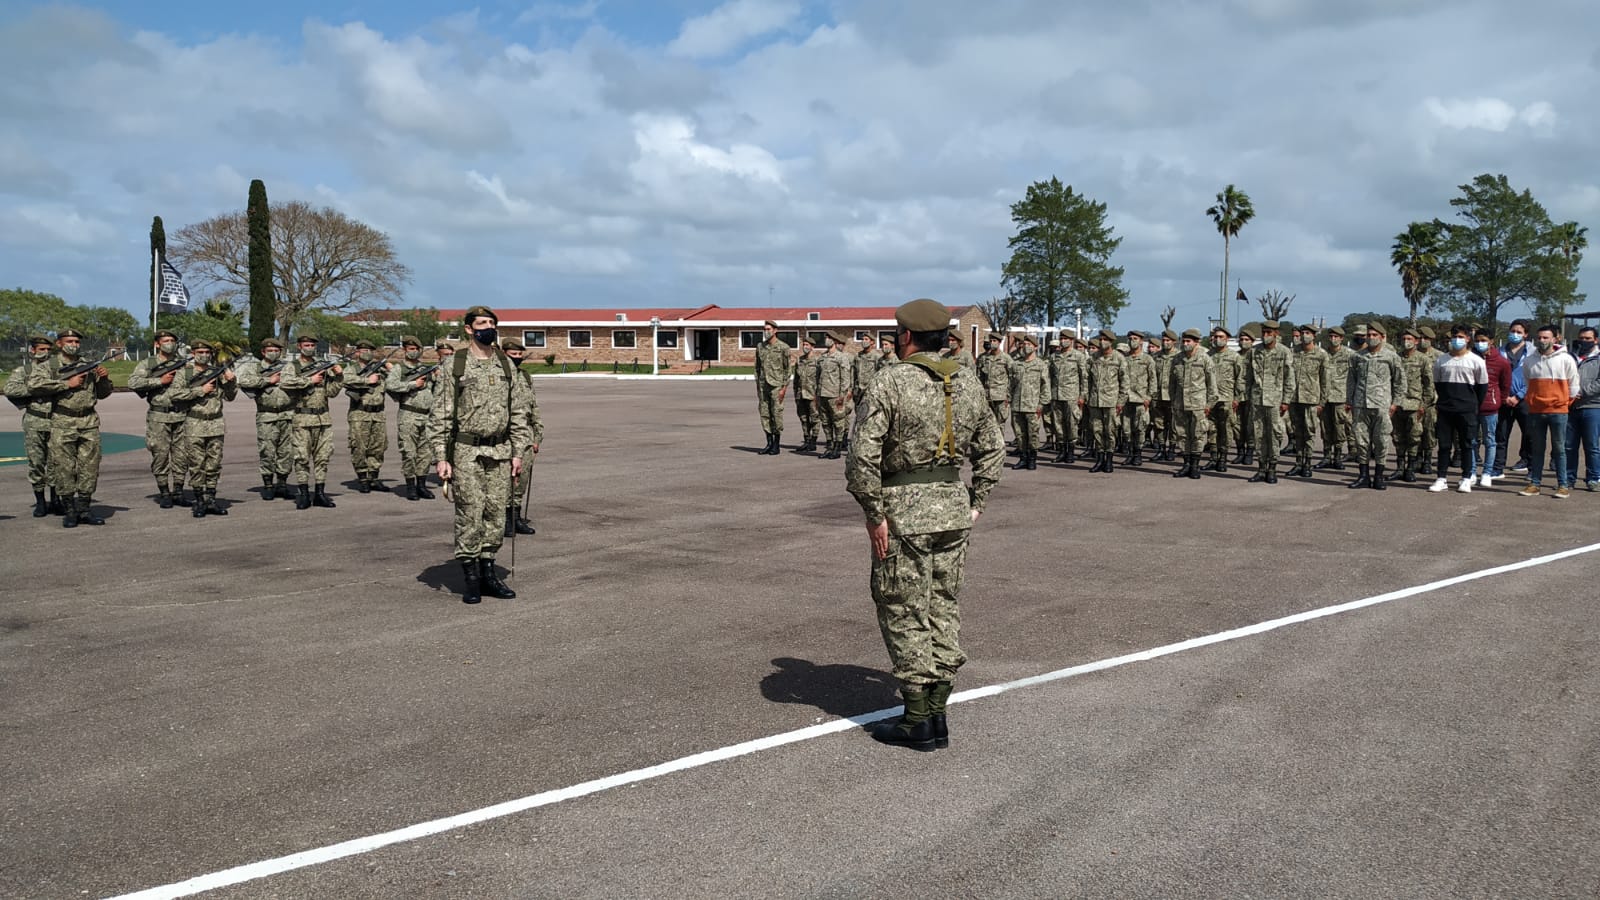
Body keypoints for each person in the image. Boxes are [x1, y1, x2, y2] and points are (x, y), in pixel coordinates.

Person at [846, 298, 1004, 751]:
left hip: (905, 512)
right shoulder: (968, 382)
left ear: (907, 337)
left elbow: (862, 458)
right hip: (953, 509)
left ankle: (918, 718)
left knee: (902, 606)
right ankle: (938, 714)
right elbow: (993, 450)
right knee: (942, 603)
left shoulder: (891, 382)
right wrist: (977, 502)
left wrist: (874, 513)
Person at [427, 306, 536, 603]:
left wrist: (518, 452)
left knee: (495, 513)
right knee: (470, 512)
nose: (488, 327)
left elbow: (519, 410)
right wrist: (441, 456)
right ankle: (471, 576)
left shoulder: (505, 364)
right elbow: (441, 414)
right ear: (468, 329)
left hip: (500, 449)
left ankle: (488, 572)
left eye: (492, 322)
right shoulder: (456, 364)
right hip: (466, 450)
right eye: (482, 323)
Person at [25, 329, 112, 527]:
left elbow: (103, 393)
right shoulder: (50, 365)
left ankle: (84, 509)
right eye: (69, 341)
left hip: (88, 422)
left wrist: (104, 379)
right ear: (59, 344)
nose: (74, 344)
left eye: (76, 341)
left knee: (89, 468)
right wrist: (66, 384)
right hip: (63, 421)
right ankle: (69, 511)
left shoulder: (87, 365)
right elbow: (34, 386)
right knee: (64, 468)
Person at [169, 340, 238, 516]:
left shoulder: (216, 372)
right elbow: (174, 394)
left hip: (215, 424)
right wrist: (201, 390)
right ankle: (199, 501)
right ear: (193, 353)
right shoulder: (185, 373)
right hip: (194, 424)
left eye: (208, 353)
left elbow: (230, 397)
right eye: (201, 352)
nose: (204, 355)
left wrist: (231, 382)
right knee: (196, 464)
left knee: (214, 464)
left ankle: (211, 500)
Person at [277, 333, 344, 510]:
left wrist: (338, 376)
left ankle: (320, 493)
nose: (309, 348)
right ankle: (304, 494)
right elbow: (285, 383)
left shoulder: (322, 366)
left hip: (323, 419)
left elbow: (331, 392)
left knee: (323, 458)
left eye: (312, 345)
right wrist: (309, 380)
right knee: (302, 458)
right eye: (306, 345)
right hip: (302, 419)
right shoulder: (293, 366)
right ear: (299, 346)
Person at [127, 329, 193, 508]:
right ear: (157, 344)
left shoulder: (183, 363)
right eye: (166, 340)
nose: (169, 343)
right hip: (159, 416)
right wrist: (159, 381)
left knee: (182, 456)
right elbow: (133, 383)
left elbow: (191, 385)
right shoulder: (148, 363)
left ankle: (179, 491)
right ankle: (164, 492)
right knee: (160, 455)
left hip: (181, 415)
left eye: (172, 340)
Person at [1518, 324, 1581, 499]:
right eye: (1539, 337)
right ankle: (1535, 484)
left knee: (1559, 449)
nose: (1542, 340)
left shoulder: (1566, 359)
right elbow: (1527, 383)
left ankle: (1563, 485)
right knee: (1537, 449)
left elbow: (1574, 385)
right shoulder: (1530, 360)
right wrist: (1531, 401)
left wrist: (1564, 404)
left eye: (1546, 337)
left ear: (1556, 339)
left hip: (1558, 411)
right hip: (1536, 411)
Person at [1427, 325, 1488, 494]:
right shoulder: (1442, 360)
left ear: (1468, 339)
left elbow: (1482, 387)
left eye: (1461, 336)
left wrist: (1473, 404)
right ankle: (1441, 478)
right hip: (1446, 409)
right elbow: (1438, 384)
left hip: (1467, 409)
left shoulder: (1476, 361)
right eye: (1454, 336)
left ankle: (1467, 478)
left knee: (1467, 444)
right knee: (1444, 445)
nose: (1456, 339)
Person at [5, 335, 61, 516]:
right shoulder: (25, 371)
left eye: (48, 350)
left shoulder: (57, 369)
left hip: (56, 420)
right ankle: (40, 501)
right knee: (36, 462)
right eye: (41, 349)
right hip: (34, 421)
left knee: (56, 462)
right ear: (32, 350)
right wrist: (36, 388)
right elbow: (10, 389)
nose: (45, 353)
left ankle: (55, 499)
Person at [1345, 322, 1405, 490]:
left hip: (1382, 406)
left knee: (1381, 441)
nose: (1371, 338)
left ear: (1381, 337)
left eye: (1374, 335)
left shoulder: (1391, 356)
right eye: (1369, 335)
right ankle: (1363, 476)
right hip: (1361, 405)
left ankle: (1379, 476)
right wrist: (1350, 401)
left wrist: (1395, 403)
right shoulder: (1358, 356)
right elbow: (1352, 380)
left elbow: (1400, 381)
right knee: (1361, 442)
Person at [236, 337, 297, 501]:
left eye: (277, 350)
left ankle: (282, 484)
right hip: (266, 415)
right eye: (270, 350)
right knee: (267, 451)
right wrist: (269, 380)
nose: (274, 353)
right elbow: (243, 381)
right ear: (263, 352)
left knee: (287, 451)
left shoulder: (288, 367)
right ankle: (268, 485)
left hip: (288, 414)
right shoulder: (255, 367)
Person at [384, 335, 441, 500]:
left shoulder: (426, 369)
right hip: (408, 414)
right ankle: (410, 486)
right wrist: (412, 384)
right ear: (405, 350)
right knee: (409, 452)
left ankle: (421, 485)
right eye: (411, 349)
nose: (414, 352)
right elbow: (391, 385)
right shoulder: (399, 369)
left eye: (416, 349)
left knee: (425, 453)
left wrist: (437, 376)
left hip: (427, 416)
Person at [500, 338, 544, 535]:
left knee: (521, 478)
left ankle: (516, 518)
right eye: (513, 354)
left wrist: (537, 434)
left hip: (525, 435)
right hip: (504, 436)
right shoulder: (499, 375)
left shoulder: (525, 377)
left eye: (519, 355)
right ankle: (504, 520)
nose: (517, 358)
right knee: (505, 480)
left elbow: (533, 407)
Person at [1243, 320, 1295, 484]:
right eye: (1264, 332)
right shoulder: (1254, 352)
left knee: (1274, 435)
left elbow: (1289, 379)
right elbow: (1247, 378)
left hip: (1275, 401)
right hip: (1257, 400)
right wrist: (1246, 397)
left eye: (1269, 333)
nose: (1265, 336)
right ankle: (1261, 468)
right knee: (1259, 434)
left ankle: (1272, 468)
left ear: (1276, 334)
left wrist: (1286, 401)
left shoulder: (1284, 352)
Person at [341, 339, 392, 492]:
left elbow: (397, 379)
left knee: (378, 447)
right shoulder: (352, 368)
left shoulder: (379, 370)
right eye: (363, 351)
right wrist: (366, 380)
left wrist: (389, 367)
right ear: (357, 353)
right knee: (359, 447)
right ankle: (363, 478)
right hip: (359, 413)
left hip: (378, 414)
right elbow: (345, 379)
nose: (367, 353)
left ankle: (374, 478)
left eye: (370, 351)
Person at [1169, 328, 1217, 478]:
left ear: (1197, 342)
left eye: (1188, 341)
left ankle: (1195, 466)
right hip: (1180, 404)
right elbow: (1172, 384)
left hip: (1198, 405)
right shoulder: (1176, 359)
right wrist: (1173, 401)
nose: (1185, 344)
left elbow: (1212, 385)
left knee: (1198, 435)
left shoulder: (1205, 359)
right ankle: (1186, 464)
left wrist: (1209, 405)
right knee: (1182, 435)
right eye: (1183, 341)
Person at [1392, 328, 1436, 483]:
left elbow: (1429, 385)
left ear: (1416, 341)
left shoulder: (1423, 359)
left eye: (1410, 339)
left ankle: (1410, 469)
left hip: (1415, 405)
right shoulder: (1396, 358)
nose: (1406, 342)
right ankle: (1399, 468)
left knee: (1414, 438)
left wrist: (1424, 405)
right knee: (1398, 437)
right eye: (1404, 339)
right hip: (1398, 405)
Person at [1286, 324, 1327, 478]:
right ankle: (1298, 463)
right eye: (1302, 333)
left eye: (1307, 333)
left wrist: (1322, 402)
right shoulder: (1293, 353)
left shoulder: (1321, 354)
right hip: (1294, 399)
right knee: (1297, 432)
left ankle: (1307, 463)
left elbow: (1325, 380)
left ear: (1314, 336)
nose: (1304, 336)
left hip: (1311, 400)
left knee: (1309, 432)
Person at [1471, 327, 1510, 488]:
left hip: (1490, 408)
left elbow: (1505, 385)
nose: (1480, 343)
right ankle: (1471, 471)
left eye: (1484, 341)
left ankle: (1487, 472)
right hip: (1471, 407)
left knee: (1490, 440)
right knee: (1471, 441)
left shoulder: (1501, 362)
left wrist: (1497, 401)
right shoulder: (1470, 358)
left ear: (1491, 342)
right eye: (1478, 340)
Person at [1085, 329, 1127, 473]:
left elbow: (1124, 382)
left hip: (1111, 402)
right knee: (1097, 430)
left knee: (1110, 431)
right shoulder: (1093, 358)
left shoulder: (1119, 358)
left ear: (1111, 342)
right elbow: (1087, 380)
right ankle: (1099, 459)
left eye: (1105, 340)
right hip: (1095, 401)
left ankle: (1109, 460)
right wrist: (1087, 397)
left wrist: (1120, 402)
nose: (1102, 342)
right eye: (1100, 339)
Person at [1564, 326, 1600, 491]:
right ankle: (1569, 478)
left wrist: (1581, 391)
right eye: (1582, 338)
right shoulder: (1571, 357)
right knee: (1569, 445)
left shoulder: (1598, 358)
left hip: (1592, 407)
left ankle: (1593, 478)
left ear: (1595, 340)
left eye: (1588, 338)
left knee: (1591, 445)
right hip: (1571, 407)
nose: (1584, 341)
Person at [1495, 320, 1533, 476]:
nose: (1515, 334)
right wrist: (1504, 396)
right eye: (1513, 331)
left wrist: (1518, 396)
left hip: (1524, 400)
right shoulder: (1499, 351)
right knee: (1501, 435)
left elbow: (1533, 378)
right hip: (1504, 400)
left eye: (1519, 332)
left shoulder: (1532, 353)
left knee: (1530, 435)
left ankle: (1531, 468)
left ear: (1525, 334)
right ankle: (1497, 468)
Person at [1204, 326, 1243, 473]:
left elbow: (1240, 379)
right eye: (1215, 337)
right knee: (1211, 430)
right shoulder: (1208, 356)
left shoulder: (1234, 357)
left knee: (1226, 430)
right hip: (1211, 399)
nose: (1217, 339)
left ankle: (1222, 459)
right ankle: (1213, 458)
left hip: (1227, 399)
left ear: (1227, 339)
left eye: (1221, 337)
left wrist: (1237, 398)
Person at [1009, 335, 1049, 470]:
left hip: (1033, 406)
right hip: (1017, 404)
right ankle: (1022, 458)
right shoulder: (1016, 364)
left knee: (1033, 434)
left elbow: (1045, 386)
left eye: (1029, 344)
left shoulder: (1040, 365)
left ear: (1035, 347)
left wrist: (1041, 404)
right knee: (1020, 434)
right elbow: (1011, 384)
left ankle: (1032, 459)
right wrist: (1008, 398)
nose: (1026, 346)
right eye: (1024, 343)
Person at [1317, 326, 1353, 470]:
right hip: (1324, 397)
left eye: (1336, 337)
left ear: (1342, 338)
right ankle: (1326, 457)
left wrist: (1350, 398)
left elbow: (1354, 377)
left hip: (1341, 397)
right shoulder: (1322, 353)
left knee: (1339, 428)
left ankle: (1338, 457)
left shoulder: (1350, 355)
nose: (1333, 339)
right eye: (1331, 336)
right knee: (1325, 428)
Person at [754, 320, 792, 455]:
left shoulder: (783, 347)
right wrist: (758, 384)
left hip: (776, 385)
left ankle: (776, 444)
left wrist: (784, 388)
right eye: (765, 329)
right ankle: (768, 442)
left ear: (775, 330)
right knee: (764, 414)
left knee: (776, 414)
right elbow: (757, 367)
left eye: (769, 329)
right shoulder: (760, 347)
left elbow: (788, 369)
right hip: (764, 386)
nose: (766, 331)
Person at [1048, 334, 1087, 464]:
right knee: (1058, 424)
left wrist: (1082, 396)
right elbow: (1049, 377)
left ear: (1071, 341)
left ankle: (1070, 451)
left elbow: (1084, 378)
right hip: (1056, 395)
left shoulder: (1078, 356)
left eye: (1066, 339)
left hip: (1072, 396)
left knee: (1071, 424)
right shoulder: (1054, 357)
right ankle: (1061, 451)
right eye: (1062, 339)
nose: (1063, 341)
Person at [1121, 330, 1156, 466]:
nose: (1132, 341)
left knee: (1140, 428)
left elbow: (1153, 380)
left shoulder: (1147, 360)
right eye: (1130, 338)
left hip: (1141, 400)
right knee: (1126, 428)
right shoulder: (1124, 359)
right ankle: (1129, 453)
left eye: (1135, 338)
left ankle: (1138, 454)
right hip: (1126, 399)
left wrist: (1149, 397)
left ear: (1141, 341)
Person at [817, 331, 853, 459]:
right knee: (826, 422)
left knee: (838, 422)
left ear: (834, 340)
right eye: (826, 337)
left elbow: (845, 378)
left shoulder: (841, 357)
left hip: (835, 395)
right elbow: (818, 377)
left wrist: (842, 395)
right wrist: (817, 395)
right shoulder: (822, 357)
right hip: (822, 395)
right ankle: (829, 446)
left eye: (828, 338)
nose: (826, 339)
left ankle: (837, 448)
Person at [976, 332, 1015, 441]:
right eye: (991, 341)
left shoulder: (1006, 359)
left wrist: (1008, 395)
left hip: (1001, 397)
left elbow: (1013, 377)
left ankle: (1000, 446)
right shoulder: (984, 358)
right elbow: (980, 377)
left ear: (999, 342)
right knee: (987, 424)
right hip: (987, 397)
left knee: (1000, 423)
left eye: (994, 341)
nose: (992, 343)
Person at [1416, 325, 1444, 474]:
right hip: (1413, 399)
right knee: (1414, 431)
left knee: (1429, 431)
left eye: (1425, 338)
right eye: (1419, 338)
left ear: (1431, 339)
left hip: (1432, 401)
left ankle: (1427, 459)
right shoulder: (1412, 355)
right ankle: (1417, 458)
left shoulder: (1440, 357)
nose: (1422, 341)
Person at [1149, 330, 1178, 461]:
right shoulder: (1155, 357)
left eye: (1168, 341)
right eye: (1164, 340)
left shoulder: (1179, 357)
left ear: (1174, 342)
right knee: (1158, 424)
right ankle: (1161, 448)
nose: (1165, 343)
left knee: (1173, 425)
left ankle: (1172, 448)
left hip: (1173, 396)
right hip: (1157, 396)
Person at [1234, 325, 1259, 466]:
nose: (1243, 341)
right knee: (1237, 426)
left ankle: (1250, 451)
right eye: (1241, 339)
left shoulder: (1255, 356)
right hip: (1237, 396)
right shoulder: (1235, 356)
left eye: (1246, 339)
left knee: (1250, 426)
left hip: (1251, 395)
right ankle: (1240, 452)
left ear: (1252, 341)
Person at [792, 336, 821, 453]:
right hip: (801, 394)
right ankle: (806, 440)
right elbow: (796, 380)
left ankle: (813, 441)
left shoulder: (817, 361)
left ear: (812, 347)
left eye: (807, 345)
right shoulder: (799, 361)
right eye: (804, 345)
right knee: (803, 418)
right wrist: (795, 394)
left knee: (814, 418)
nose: (805, 347)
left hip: (812, 394)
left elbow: (820, 379)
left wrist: (818, 396)